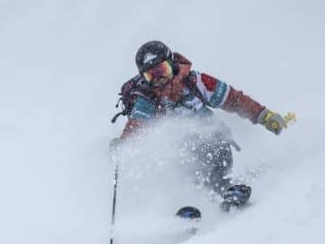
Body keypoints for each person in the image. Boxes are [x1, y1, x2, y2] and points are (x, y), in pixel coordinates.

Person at [112, 40, 287, 209]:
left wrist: (263, 115)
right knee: (176, 165)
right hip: (182, 156)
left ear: (171, 64)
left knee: (215, 150)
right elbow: (136, 127)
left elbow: (234, 99)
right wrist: (123, 146)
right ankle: (190, 207)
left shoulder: (197, 82)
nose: (159, 80)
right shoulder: (147, 100)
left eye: (162, 71)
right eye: (152, 76)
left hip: (214, 142)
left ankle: (226, 191)